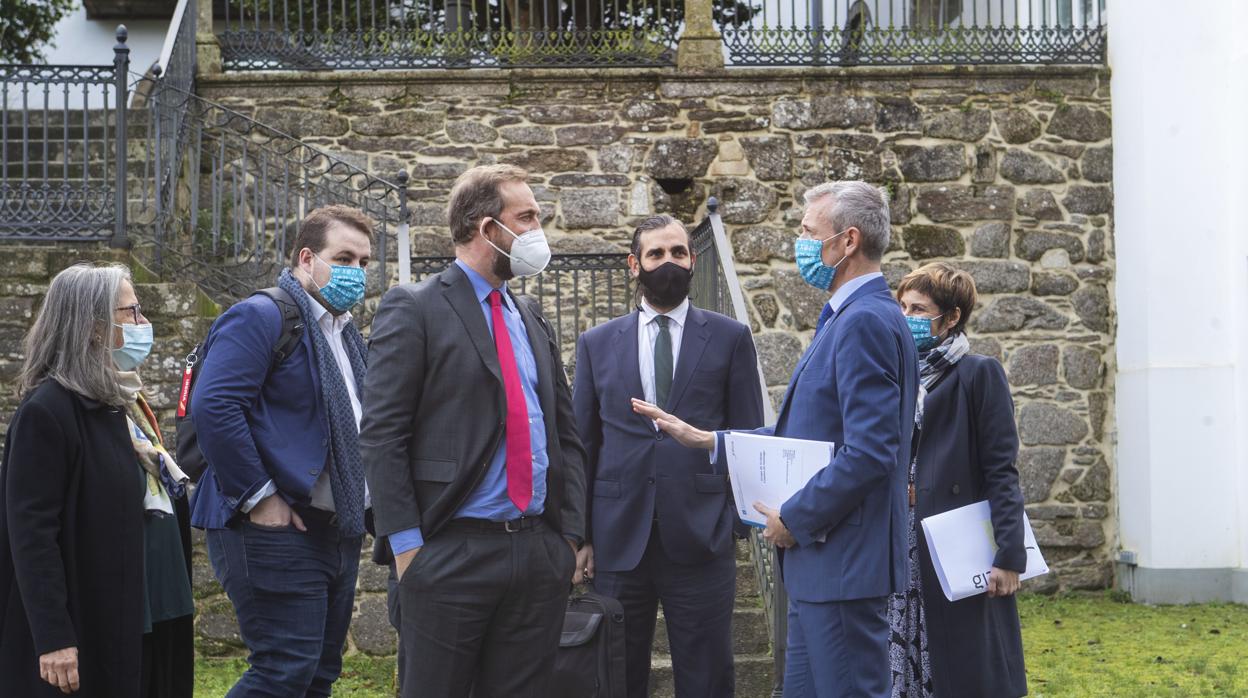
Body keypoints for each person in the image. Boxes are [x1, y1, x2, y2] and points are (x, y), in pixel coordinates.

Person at [634, 180, 919, 698]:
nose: (801, 242)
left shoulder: (865, 322)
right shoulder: (848, 316)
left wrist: (795, 517)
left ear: (847, 241)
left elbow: (872, 452)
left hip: (842, 563)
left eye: (810, 232)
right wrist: (709, 441)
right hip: (823, 568)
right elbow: (808, 434)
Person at [360, 164, 587, 698]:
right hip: (447, 553)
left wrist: (569, 537)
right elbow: (381, 435)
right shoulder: (414, 307)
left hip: (536, 553)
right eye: (526, 217)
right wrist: (408, 550)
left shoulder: (529, 314)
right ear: (488, 228)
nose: (538, 230)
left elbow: (565, 434)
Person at [572, 214, 765, 697]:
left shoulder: (729, 337)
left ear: (693, 261)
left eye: (678, 253)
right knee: (616, 674)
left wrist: (737, 525)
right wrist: (581, 536)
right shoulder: (596, 344)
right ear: (634, 265)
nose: (668, 263)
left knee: (707, 676)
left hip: (701, 536)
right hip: (618, 540)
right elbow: (583, 443)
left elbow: (746, 432)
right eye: (656, 254)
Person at [190, 205, 374, 696]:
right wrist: (261, 497)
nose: (355, 272)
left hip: (335, 529)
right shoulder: (262, 315)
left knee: (318, 675)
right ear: (307, 257)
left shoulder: (345, 332)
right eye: (344, 258)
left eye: (363, 262)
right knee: (283, 669)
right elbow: (214, 406)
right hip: (273, 525)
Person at [0, 264, 194, 698]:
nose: (144, 324)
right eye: (131, 312)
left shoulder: (123, 404)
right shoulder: (49, 412)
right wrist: (53, 637)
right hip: (93, 621)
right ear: (91, 327)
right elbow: (31, 536)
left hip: (152, 611)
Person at [889, 262, 1027, 698]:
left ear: (951, 318)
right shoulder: (893, 371)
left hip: (952, 541)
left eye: (919, 309)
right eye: (903, 306)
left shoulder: (978, 373)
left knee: (961, 665)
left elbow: (1000, 469)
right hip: (896, 538)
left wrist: (1009, 555)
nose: (907, 317)